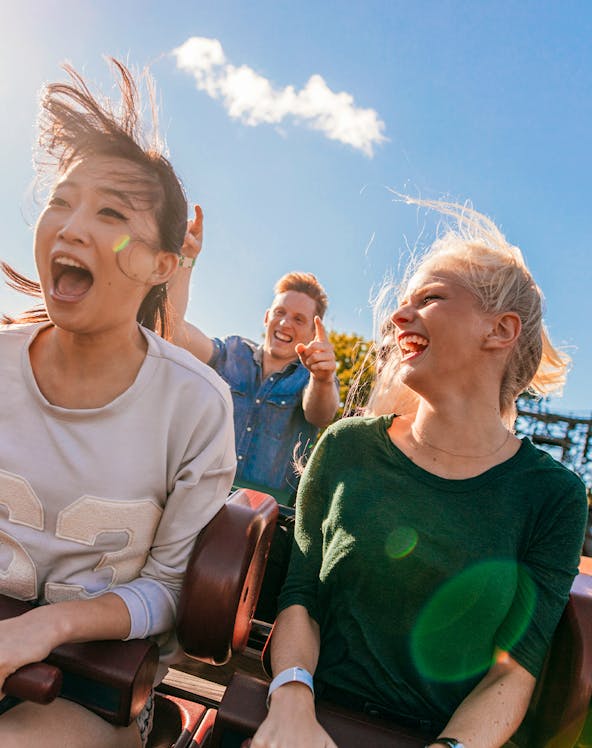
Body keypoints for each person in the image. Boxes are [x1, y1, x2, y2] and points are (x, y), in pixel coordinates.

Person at [250, 199, 588, 748]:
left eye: (429, 299)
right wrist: (290, 702)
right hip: (306, 726)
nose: (397, 317)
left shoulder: (554, 497)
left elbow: (513, 671)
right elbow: (301, 596)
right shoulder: (347, 446)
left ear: (500, 330)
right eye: (402, 303)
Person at [0, 60, 235, 747]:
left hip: (93, 684)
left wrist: (52, 623)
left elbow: (168, 590)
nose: (72, 226)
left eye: (110, 213)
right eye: (62, 201)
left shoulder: (196, 406)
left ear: (164, 264)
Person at [169, 216, 339, 499]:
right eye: (280, 313)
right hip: (197, 497)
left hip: (268, 519)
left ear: (312, 333)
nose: (285, 324)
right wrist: (186, 259)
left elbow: (320, 415)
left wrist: (323, 378)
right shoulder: (233, 352)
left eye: (299, 319)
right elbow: (174, 333)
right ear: (266, 317)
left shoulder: (312, 378)